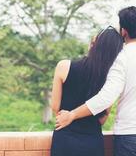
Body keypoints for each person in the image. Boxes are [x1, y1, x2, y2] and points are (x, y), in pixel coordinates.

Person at [55, 6, 136, 156]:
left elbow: (106, 97)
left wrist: (72, 115)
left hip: (131, 135)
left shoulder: (122, 57)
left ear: (124, 31)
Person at [50, 26, 124, 156]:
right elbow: (103, 118)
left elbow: (55, 107)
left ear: (93, 44)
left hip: (64, 138)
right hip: (92, 141)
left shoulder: (64, 66)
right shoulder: (111, 79)